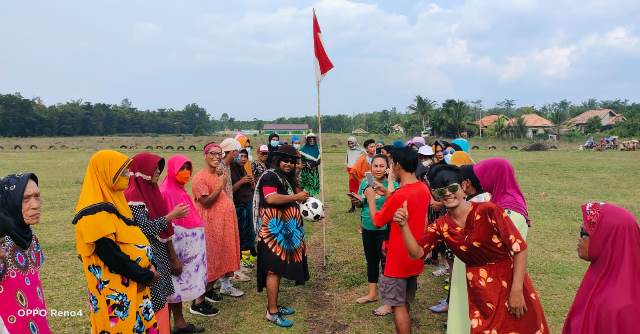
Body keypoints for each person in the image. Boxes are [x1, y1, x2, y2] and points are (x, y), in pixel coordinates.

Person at [394, 165, 549, 334]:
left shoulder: (489, 211)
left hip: (509, 280)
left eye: (452, 188)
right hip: (479, 288)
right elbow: (416, 253)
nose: (447, 194)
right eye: (440, 191)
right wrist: (403, 226)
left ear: (463, 187)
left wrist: (517, 290)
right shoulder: (441, 225)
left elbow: (519, 249)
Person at [73, 150, 158, 333]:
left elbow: (135, 239)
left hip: (136, 289)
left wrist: (150, 266)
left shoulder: (116, 202)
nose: (128, 175)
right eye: (123, 172)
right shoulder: (93, 214)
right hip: (117, 299)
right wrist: (145, 275)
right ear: (106, 173)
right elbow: (111, 256)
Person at [124, 153, 189, 334]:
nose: (158, 171)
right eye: (154, 167)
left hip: (160, 254)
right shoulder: (133, 196)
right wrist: (171, 216)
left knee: (162, 299)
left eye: (160, 167)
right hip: (148, 257)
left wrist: (171, 255)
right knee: (154, 302)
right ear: (142, 170)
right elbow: (143, 228)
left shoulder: (151, 191)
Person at [372, 147, 431, 334]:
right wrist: (389, 192)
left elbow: (378, 220)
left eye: (391, 164)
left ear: (397, 165)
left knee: (397, 306)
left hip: (397, 260)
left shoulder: (400, 194)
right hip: (414, 255)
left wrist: (370, 198)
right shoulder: (423, 188)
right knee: (404, 302)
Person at [253, 144, 310, 328]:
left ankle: (275, 305)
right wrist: (296, 197)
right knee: (273, 271)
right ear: (277, 160)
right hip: (271, 234)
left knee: (277, 269)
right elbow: (271, 198)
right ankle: (272, 312)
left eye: (292, 161)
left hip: (283, 233)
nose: (289, 164)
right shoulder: (270, 175)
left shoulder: (285, 177)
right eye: (285, 160)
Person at [563, 202, 640, 334]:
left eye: (584, 233)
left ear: (606, 239)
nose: (579, 238)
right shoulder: (602, 273)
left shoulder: (615, 306)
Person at [160, 154, 213, 332]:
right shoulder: (166, 191)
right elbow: (165, 224)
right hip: (174, 250)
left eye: (188, 168)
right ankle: (164, 327)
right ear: (172, 169)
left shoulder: (180, 189)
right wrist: (172, 256)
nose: (186, 172)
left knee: (178, 289)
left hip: (186, 250)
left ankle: (180, 323)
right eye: (181, 168)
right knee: (170, 289)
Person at [192, 142, 245, 298]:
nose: (216, 157)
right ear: (205, 155)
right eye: (212, 154)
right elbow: (206, 202)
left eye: (219, 154)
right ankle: (202, 295)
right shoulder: (200, 178)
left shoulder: (218, 173)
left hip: (224, 223)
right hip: (211, 225)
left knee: (223, 256)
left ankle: (212, 289)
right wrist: (220, 185)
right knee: (212, 258)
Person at [0, 173, 52, 334]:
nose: (35, 205)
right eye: (26, 198)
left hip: (36, 319)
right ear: (10, 202)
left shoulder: (30, 238)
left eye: (37, 196)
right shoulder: (1, 243)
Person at [352, 155, 397, 317]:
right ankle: (372, 294)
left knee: (386, 265)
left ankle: (388, 302)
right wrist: (357, 201)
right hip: (367, 227)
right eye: (375, 165)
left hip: (384, 229)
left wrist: (385, 190)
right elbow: (362, 203)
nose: (377, 169)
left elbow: (394, 204)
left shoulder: (393, 184)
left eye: (381, 166)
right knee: (371, 260)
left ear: (387, 168)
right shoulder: (365, 183)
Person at [471, 158, 530, 239]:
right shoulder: (506, 197)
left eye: (482, 177)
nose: (479, 182)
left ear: (492, 177)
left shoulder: (508, 210)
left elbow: (505, 244)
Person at [230, 149, 257, 270]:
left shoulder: (243, 168)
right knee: (242, 233)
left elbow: (251, 188)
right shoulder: (231, 169)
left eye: (245, 157)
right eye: (241, 156)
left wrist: (252, 183)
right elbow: (229, 190)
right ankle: (242, 260)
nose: (243, 159)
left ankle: (249, 258)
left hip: (248, 203)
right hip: (239, 205)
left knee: (250, 232)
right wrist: (242, 181)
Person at [299, 133, 321, 197]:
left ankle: (313, 197)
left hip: (314, 172)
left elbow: (319, 161)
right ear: (308, 140)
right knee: (305, 186)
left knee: (313, 185)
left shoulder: (317, 149)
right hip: (306, 171)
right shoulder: (303, 149)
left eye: (313, 139)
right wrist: (306, 164)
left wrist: (313, 165)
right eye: (310, 139)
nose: (312, 140)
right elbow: (302, 160)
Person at [345, 137, 363, 212]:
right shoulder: (348, 151)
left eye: (352, 143)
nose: (350, 145)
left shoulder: (361, 151)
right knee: (352, 190)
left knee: (361, 188)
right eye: (349, 143)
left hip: (358, 172)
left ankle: (363, 204)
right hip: (351, 172)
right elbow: (347, 160)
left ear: (355, 142)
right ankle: (353, 207)